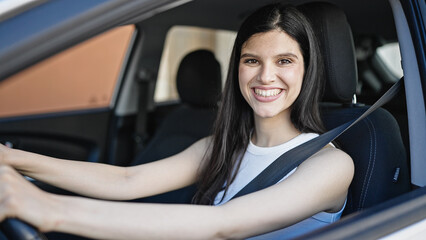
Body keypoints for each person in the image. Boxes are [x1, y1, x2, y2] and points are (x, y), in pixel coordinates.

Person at [0, 4, 353, 240]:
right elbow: (127, 179)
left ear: (308, 71)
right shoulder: (222, 146)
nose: (265, 76)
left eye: (285, 61)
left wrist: (48, 209)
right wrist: (13, 159)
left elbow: (221, 226)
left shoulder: (330, 165)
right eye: (251, 60)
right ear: (237, 68)